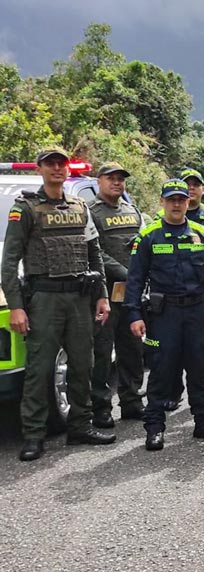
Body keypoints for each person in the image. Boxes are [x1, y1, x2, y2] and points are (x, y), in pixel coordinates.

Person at [2, 147, 114, 461]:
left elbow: (94, 254)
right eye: (50, 164)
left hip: (79, 297)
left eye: (61, 164)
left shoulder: (80, 206)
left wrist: (102, 295)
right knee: (39, 370)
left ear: (67, 169)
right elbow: (9, 262)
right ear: (40, 169)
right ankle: (34, 435)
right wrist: (16, 306)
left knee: (82, 364)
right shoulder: (25, 208)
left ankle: (80, 427)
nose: (56, 168)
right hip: (44, 299)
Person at [126, 179, 204, 451]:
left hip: (198, 313)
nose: (176, 204)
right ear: (162, 202)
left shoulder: (202, 234)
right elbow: (135, 280)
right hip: (165, 315)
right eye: (171, 199)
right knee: (161, 371)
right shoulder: (148, 237)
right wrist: (134, 315)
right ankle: (154, 428)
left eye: (181, 199)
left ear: (187, 202)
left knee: (200, 369)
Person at [163, 167, 204, 411]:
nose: (191, 188)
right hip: (173, 294)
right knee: (173, 348)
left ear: (202, 190)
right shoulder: (162, 219)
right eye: (186, 184)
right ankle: (174, 391)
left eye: (195, 184)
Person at [87, 162, 146, 428]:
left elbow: (142, 244)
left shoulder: (132, 211)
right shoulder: (91, 212)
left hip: (130, 293)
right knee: (102, 351)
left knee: (132, 348)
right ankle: (100, 408)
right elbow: (94, 251)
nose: (116, 182)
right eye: (111, 178)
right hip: (103, 293)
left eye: (120, 178)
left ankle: (132, 401)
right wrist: (124, 272)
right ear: (99, 181)